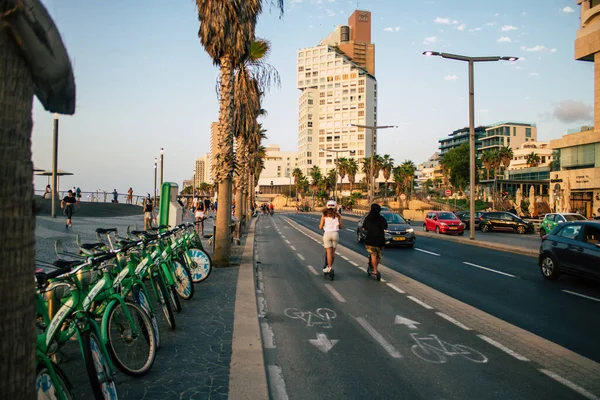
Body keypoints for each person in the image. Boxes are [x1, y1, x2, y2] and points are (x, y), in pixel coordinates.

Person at [361, 203, 388, 277]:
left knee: (373, 254)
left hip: (370, 239)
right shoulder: (382, 218)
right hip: (380, 240)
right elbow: (386, 227)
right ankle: (375, 267)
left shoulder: (368, 218)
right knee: (379, 256)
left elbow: (364, 228)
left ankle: (375, 270)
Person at [319, 200, 343, 274]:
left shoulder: (324, 215)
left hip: (327, 234)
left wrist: (322, 226)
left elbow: (320, 227)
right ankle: (330, 266)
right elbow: (341, 226)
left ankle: (329, 267)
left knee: (328, 251)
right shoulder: (338, 216)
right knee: (333, 252)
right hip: (335, 234)